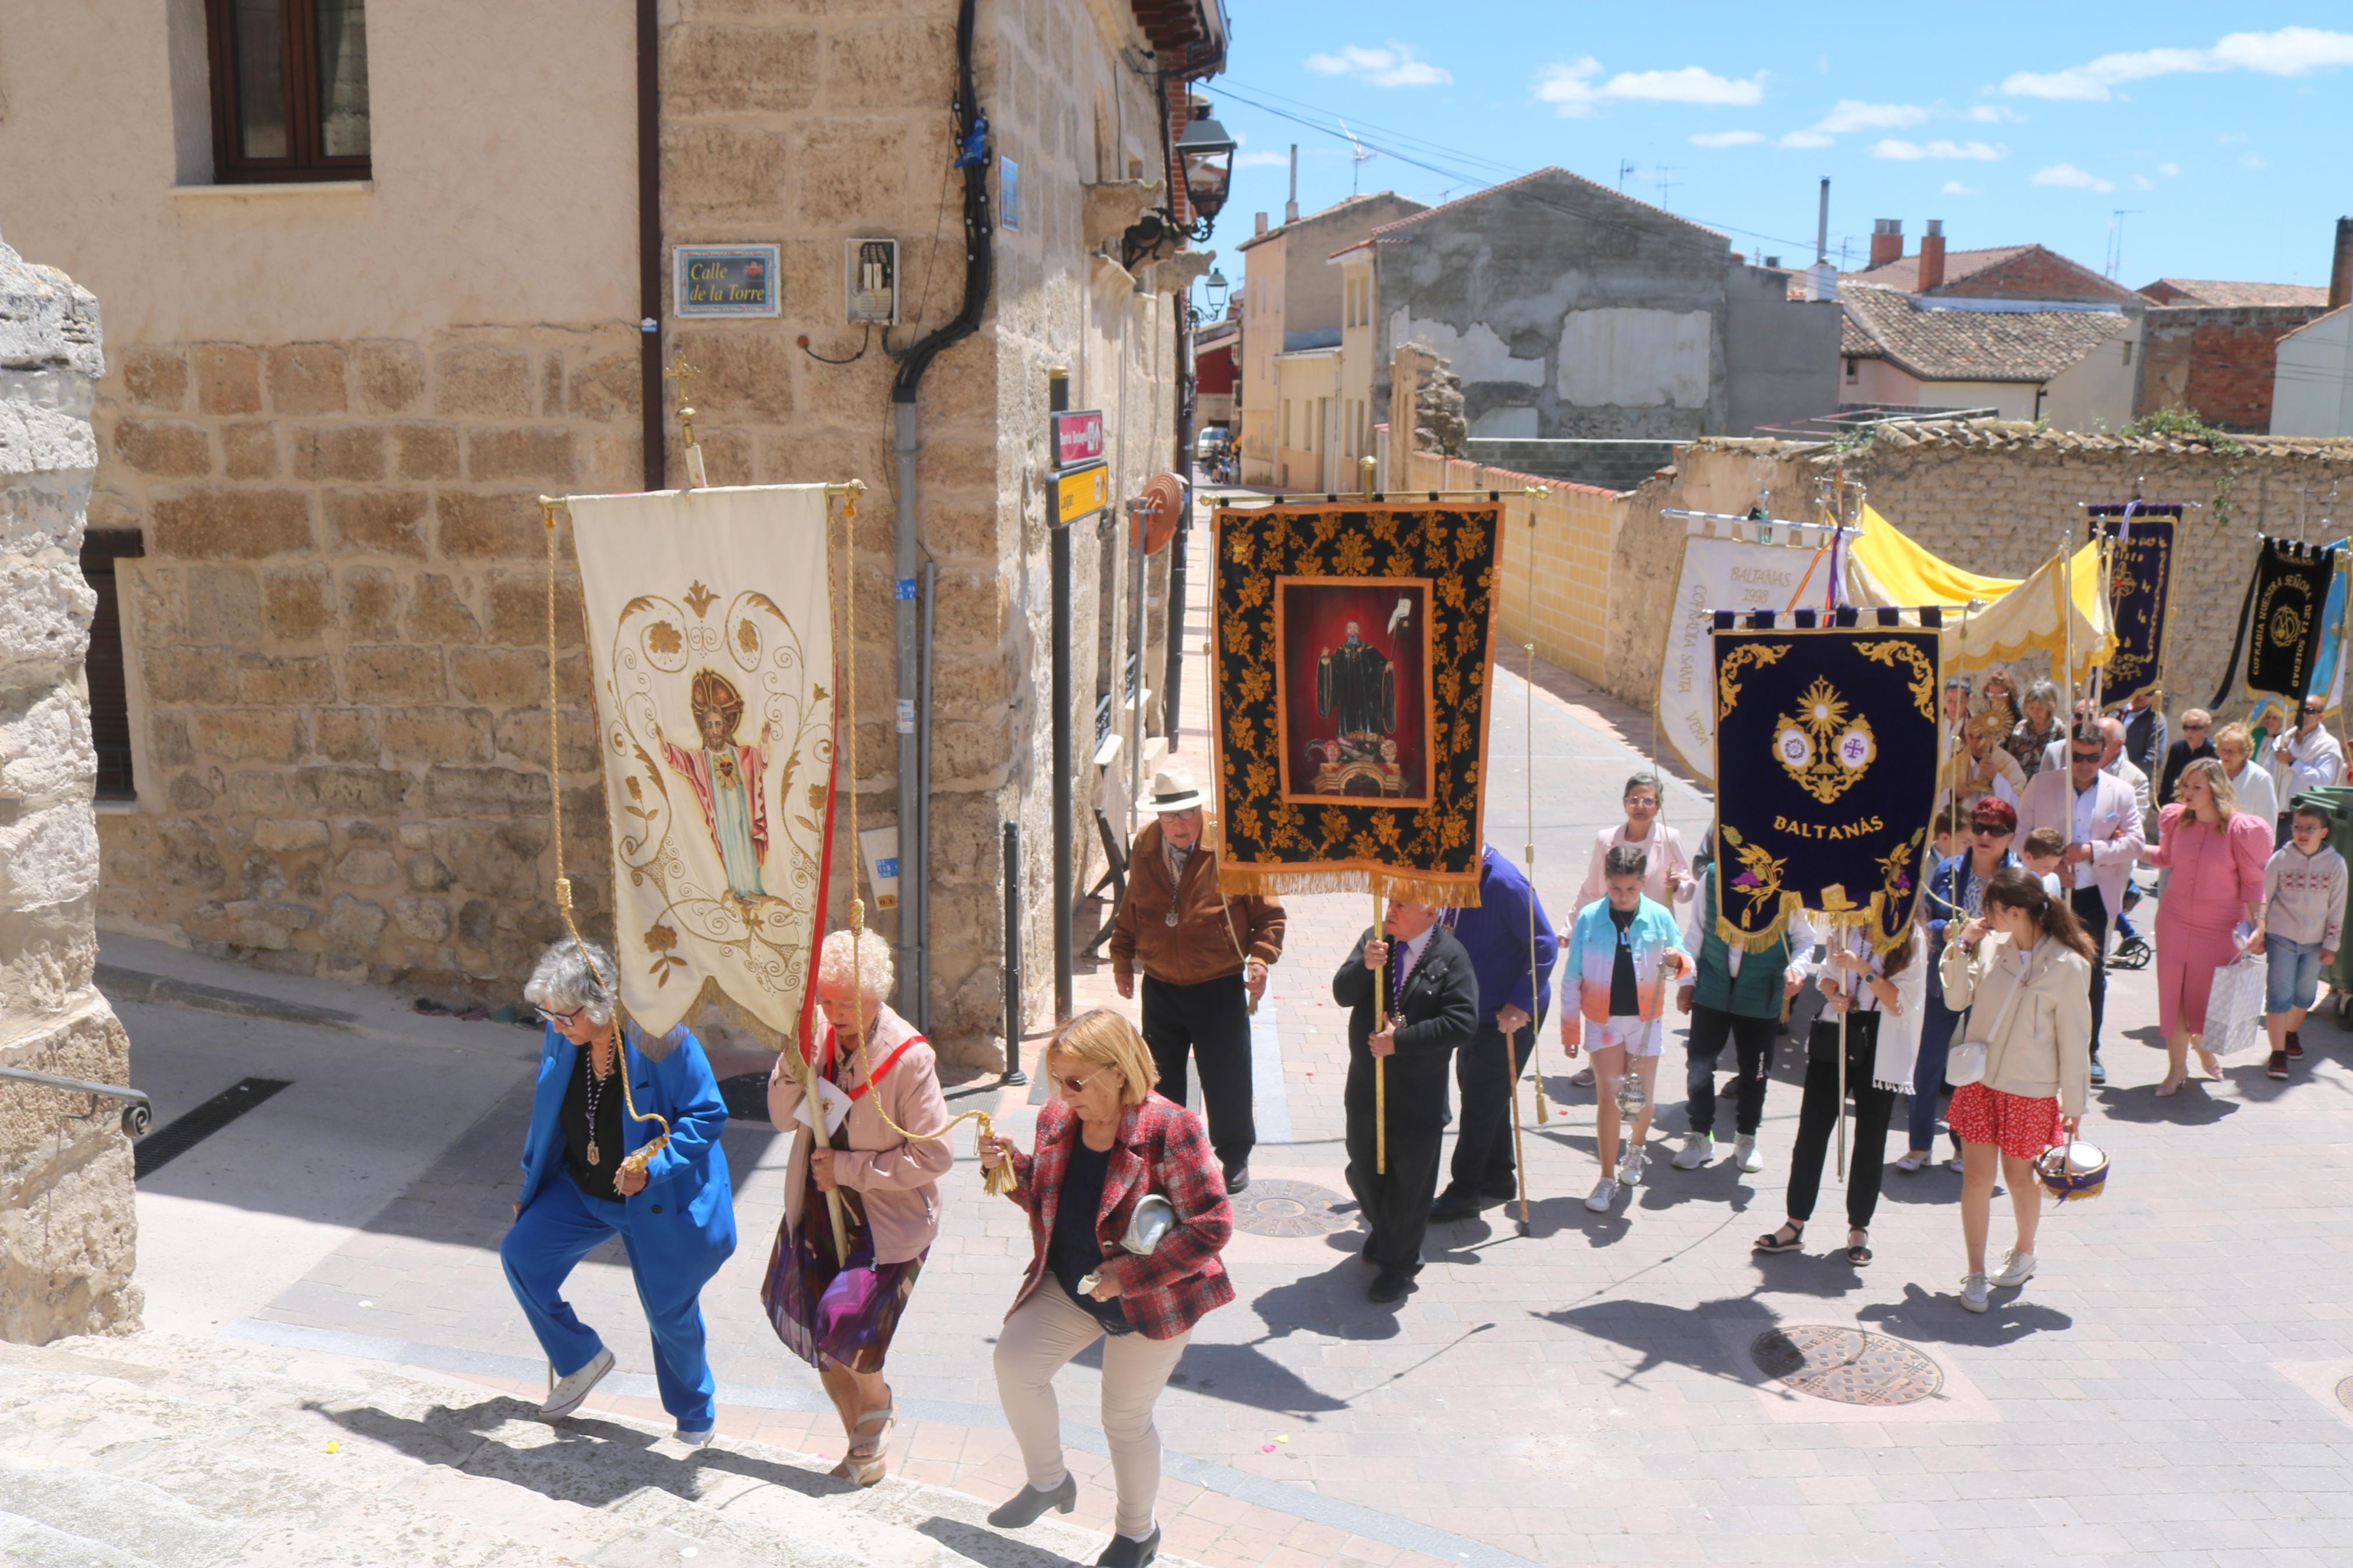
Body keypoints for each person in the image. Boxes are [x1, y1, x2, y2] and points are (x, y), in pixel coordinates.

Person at [979, 1010, 1233, 1568]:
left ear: (1118, 1072)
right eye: (1056, 1080)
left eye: (1076, 1081)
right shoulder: (1057, 1118)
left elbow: (1211, 1226)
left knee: (1123, 1420)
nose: (1063, 1095)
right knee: (1015, 1365)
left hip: (1151, 1299)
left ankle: (1137, 1534)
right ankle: (1049, 1482)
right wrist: (1009, 1167)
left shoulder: (1173, 1128)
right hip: (1073, 1286)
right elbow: (1048, 1198)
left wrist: (1129, 1275)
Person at [503, 940, 736, 1444]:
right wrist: (532, 1184)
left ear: (599, 1007)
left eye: (564, 1017)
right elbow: (546, 1118)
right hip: (582, 1186)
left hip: (655, 1200)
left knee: (668, 1313)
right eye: (550, 1015)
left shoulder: (661, 1037)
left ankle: (695, 1416)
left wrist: (654, 1164)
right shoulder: (562, 1036)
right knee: (522, 1255)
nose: (556, 1026)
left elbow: (707, 1113)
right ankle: (580, 1358)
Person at [763, 930, 952, 1485]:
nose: (833, 1013)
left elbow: (935, 1154)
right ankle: (861, 1448)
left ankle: (879, 1400)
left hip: (887, 1218)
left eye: (845, 1002)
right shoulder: (816, 1036)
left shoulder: (909, 1057)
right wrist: (791, 1060)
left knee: (841, 1323)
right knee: (820, 1336)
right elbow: (780, 1116)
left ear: (875, 995)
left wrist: (848, 1169)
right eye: (824, 1000)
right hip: (819, 1204)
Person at [1109, 766, 1284, 1193]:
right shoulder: (1146, 845)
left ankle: (1235, 1155)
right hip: (1161, 984)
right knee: (1162, 1079)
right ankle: (1169, 1156)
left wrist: (1260, 959)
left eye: (1188, 813)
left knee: (1226, 1076)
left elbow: (1269, 915)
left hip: (1218, 983)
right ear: (1159, 818)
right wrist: (1120, 955)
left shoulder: (1231, 845)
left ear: (1200, 809)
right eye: (1171, 816)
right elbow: (1133, 904)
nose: (1181, 824)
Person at [1938, 868, 2095, 1313]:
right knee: (1976, 1180)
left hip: (2030, 1089)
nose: (1982, 914)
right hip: (1980, 1083)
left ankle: (2024, 1252)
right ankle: (1973, 1271)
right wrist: (1961, 945)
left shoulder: (2068, 964)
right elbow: (1954, 1001)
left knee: (2019, 1178)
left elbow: (2074, 1039)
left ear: (2015, 910)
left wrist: (2075, 1105)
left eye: (1989, 907)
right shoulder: (1988, 945)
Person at [1754, 920, 1924, 1268]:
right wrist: (1836, 993)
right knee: (1812, 1131)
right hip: (1836, 1029)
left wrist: (1863, 968)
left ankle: (1859, 1227)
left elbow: (1901, 1003)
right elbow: (1826, 976)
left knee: (1871, 1136)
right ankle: (1795, 1221)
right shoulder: (1846, 925)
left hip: (1882, 1039)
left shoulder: (1911, 936)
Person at [1334, 898, 1479, 1301]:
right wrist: (1364, 967)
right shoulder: (1375, 940)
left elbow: (1461, 1021)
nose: (1390, 909)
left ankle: (1399, 1264)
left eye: (1401, 903)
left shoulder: (1450, 956)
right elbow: (1341, 993)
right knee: (1363, 1171)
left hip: (1418, 1098)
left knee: (1409, 1186)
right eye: (1390, 900)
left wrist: (1401, 1041)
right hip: (1366, 1089)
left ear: (1430, 912)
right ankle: (1386, 1229)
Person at [1561, 844, 1691, 1212]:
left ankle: (1636, 1150)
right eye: (1616, 888)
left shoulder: (1660, 917)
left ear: (1643, 882)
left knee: (1641, 1099)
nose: (1622, 896)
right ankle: (1605, 1178)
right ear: (1606, 881)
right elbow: (1572, 977)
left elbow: (1685, 961)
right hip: (1602, 1021)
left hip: (1645, 1021)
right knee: (1608, 1097)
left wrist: (1677, 960)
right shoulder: (1589, 917)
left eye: (1631, 889)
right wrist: (1570, 1030)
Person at [1431, 845, 1557, 1221]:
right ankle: (1498, 1175)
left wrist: (1521, 1001)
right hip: (1472, 1006)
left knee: (1480, 1103)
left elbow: (1544, 944)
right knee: (1482, 1090)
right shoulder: (1449, 870)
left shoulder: (1504, 883)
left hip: (1510, 1011)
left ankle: (1464, 1192)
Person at [2017, 723, 2143, 1087]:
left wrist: (2091, 852)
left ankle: (2089, 1050)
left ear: (2104, 755)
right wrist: (2051, 865)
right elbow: (2021, 835)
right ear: (2066, 754)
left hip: (2093, 895)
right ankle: (2037, 1043)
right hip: (2045, 892)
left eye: (2093, 757)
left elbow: (2136, 842)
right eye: (2078, 757)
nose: (2085, 764)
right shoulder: (2043, 785)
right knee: (2039, 965)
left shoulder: (2120, 792)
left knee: (2090, 972)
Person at [2135, 758, 2269, 1094]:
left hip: (2222, 926)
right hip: (2174, 920)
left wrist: (2260, 924)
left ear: (2216, 789)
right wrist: (2127, 848)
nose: (2188, 793)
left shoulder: (2242, 830)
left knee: (2207, 1000)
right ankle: (2176, 1069)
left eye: (2198, 787)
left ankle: (2203, 1046)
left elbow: (2254, 883)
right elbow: (2164, 858)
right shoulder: (2176, 821)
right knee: (2175, 996)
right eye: (2186, 786)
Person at [1671, 855, 1813, 1176]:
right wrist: (1686, 981)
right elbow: (1696, 933)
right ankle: (1699, 1135)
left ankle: (1746, 1137)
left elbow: (1805, 940)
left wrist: (1796, 971)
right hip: (1713, 989)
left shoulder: (1789, 882)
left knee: (1756, 1072)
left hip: (1760, 995)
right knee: (1699, 1065)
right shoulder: (1712, 878)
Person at [1900, 800, 2018, 1175]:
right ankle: (1919, 1146)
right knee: (1928, 1064)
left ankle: (1965, 1146)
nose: (1985, 836)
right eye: (1980, 827)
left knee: (1974, 1068)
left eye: (1996, 830)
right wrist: (1946, 931)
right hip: (1945, 979)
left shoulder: (2019, 880)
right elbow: (1923, 921)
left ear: (2010, 837)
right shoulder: (1949, 870)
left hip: (1993, 986)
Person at [1570, 772, 1691, 1087]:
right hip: (1608, 927)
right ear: (1625, 803)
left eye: (1648, 800)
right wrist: (1570, 926)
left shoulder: (1671, 837)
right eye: (1635, 799)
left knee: (1641, 997)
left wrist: (1678, 886)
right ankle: (1598, 1063)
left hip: (1650, 933)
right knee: (1604, 989)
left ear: (1658, 805)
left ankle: (1637, 1067)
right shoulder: (1606, 839)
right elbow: (1592, 887)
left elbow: (1689, 887)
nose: (1641, 805)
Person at [2251, 802, 2345, 1080]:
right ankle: (2278, 1053)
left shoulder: (2336, 864)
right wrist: (2259, 930)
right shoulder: (2280, 859)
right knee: (2279, 995)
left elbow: (2338, 907)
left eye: (2310, 828)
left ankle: (2291, 1033)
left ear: (2324, 832)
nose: (2302, 833)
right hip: (2282, 937)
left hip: (2315, 943)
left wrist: (2332, 943)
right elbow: (2263, 898)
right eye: (2297, 827)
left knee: (2304, 995)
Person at [2270, 694, 2344, 845]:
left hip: (2305, 822)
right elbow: (2268, 774)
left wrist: (2292, 762)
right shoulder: (2283, 739)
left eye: (2310, 711)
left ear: (2321, 716)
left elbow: (2323, 781)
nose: (2303, 715)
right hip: (2274, 816)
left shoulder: (2328, 745)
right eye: (2299, 710)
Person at [2214, 721, 2279, 834]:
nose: (2226, 755)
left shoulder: (2260, 779)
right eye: (2223, 750)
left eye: (2232, 751)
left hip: (2245, 841)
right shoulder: (2211, 772)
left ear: (2244, 753)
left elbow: (2268, 822)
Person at [2155, 707, 2216, 821]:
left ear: (2206, 729)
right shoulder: (2177, 748)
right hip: (2176, 803)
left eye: (2195, 728)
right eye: (2186, 727)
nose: (2189, 732)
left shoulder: (2213, 750)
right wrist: (2161, 801)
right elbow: (2168, 778)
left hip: (2201, 807)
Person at [2008, 680, 2067, 780]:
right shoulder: (2021, 728)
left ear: (2050, 709)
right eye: (2032, 708)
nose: (2035, 713)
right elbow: (2011, 760)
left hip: (2048, 786)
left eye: (2040, 709)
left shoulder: (2060, 731)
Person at [2120, 689, 2167, 787]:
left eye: (2148, 693)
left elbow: (2153, 759)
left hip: (2133, 783)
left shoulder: (2156, 720)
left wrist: (2122, 772)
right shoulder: (2118, 710)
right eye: (2138, 691)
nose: (2141, 696)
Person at [2022, 826, 2067, 901]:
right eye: (2046, 867)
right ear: (2029, 857)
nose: (2051, 870)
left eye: (2055, 866)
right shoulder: (2013, 880)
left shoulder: (2053, 880)